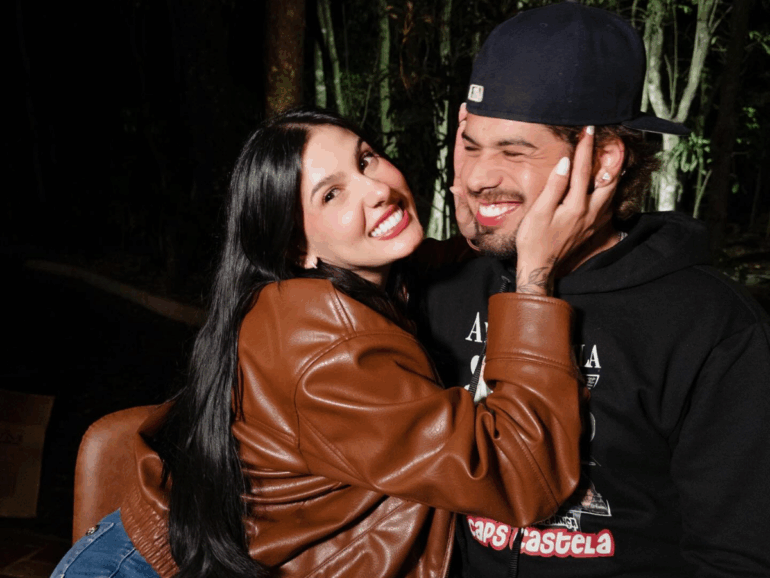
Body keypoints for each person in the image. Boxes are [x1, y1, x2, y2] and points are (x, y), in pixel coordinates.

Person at [52, 108, 613, 578]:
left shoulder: (367, 277)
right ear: (298, 248)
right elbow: (522, 475)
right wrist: (534, 277)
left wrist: (482, 202)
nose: (378, 189)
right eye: (332, 194)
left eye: (365, 159)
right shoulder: (322, 343)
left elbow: (444, 260)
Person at [419, 3, 770, 578]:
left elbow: (736, 556)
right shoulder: (444, 291)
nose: (478, 177)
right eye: (472, 145)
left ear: (604, 161)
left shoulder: (710, 326)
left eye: (514, 151)